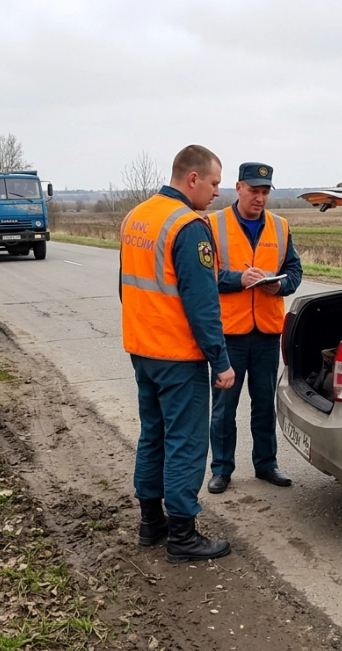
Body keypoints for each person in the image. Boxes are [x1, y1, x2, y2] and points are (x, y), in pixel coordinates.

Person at [119, 144, 237, 563]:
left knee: (153, 435)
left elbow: (126, 286)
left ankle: (151, 524)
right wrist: (220, 361)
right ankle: (183, 536)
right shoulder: (188, 226)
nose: (217, 193)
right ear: (193, 179)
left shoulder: (138, 217)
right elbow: (202, 303)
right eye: (215, 183)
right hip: (177, 355)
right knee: (186, 443)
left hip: (142, 349)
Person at [205, 162, 303, 494]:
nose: (260, 198)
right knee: (224, 407)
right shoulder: (213, 225)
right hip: (229, 334)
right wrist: (237, 279)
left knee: (263, 403)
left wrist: (281, 286)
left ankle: (266, 464)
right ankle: (221, 469)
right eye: (254, 191)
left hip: (265, 333)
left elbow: (294, 271)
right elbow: (204, 276)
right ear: (239, 188)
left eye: (265, 192)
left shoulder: (280, 226)